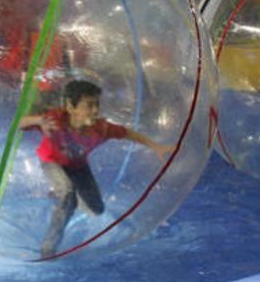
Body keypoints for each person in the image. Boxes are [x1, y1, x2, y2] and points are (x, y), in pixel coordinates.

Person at [20, 80, 172, 258]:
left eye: (97, 105)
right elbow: (20, 122)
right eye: (89, 105)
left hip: (78, 166)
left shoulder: (101, 128)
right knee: (68, 195)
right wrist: (38, 119)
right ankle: (48, 248)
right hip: (51, 161)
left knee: (96, 209)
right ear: (70, 106)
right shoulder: (55, 120)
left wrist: (156, 147)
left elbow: (128, 133)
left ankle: (60, 193)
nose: (95, 110)